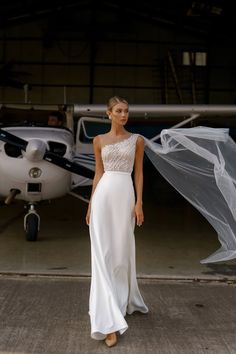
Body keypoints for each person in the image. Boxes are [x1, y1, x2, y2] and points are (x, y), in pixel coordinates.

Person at [86, 96, 148, 347]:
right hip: (102, 198)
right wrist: (90, 204)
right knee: (102, 255)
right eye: (119, 111)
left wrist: (139, 203)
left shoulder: (137, 140)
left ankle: (120, 300)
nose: (124, 115)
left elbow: (139, 173)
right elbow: (98, 173)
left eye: (126, 111)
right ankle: (107, 322)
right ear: (109, 113)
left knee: (121, 254)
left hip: (125, 197)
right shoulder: (98, 140)